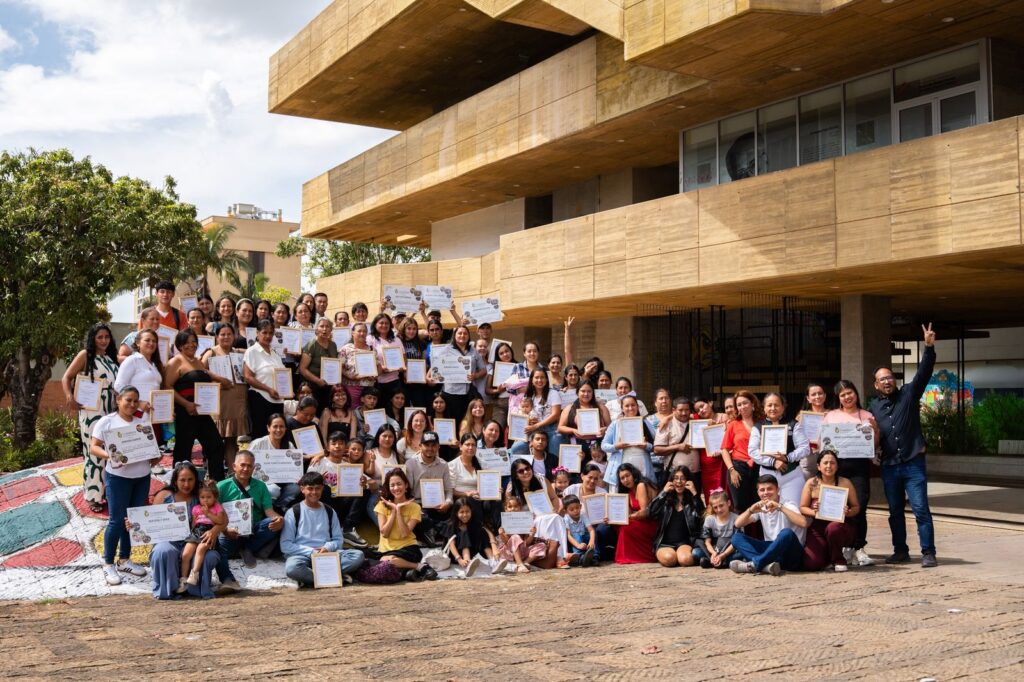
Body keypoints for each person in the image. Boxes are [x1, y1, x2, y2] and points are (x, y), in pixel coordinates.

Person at [871, 323, 939, 568]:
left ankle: (928, 552)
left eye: (889, 377)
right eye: (882, 379)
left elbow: (924, 373)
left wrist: (928, 347)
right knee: (895, 511)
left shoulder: (909, 394)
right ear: (876, 385)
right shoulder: (873, 407)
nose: (887, 381)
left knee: (920, 509)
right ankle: (900, 551)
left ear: (894, 379)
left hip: (913, 463)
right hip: (889, 466)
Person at [90, 387, 157, 585]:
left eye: (136, 401)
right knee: (116, 521)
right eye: (128, 400)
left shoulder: (141, 423)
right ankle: (108, 563)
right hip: (118, 478)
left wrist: (155, 457)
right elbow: (94, 447)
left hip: (142, 477)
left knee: (132, 520)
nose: (132, 404)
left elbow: (150, 451)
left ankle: (125, 560)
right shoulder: (107, 421)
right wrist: (111, 456)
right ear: (118, 399)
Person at [62, 323, 120, 512]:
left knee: (109, 450)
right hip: (92, 410)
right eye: (99, 337)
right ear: (93, 339)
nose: (104, 340)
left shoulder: (111, 358)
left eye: (106, 337)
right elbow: (66, 377)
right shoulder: (85, 355)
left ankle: (108, 492)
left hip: (111, 409)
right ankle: (93, 495)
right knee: (94, 451)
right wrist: (69, 397)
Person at [150, 462, 227, 598]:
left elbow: (224, 519)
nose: (186, 484)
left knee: (208, 555)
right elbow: (150, 521)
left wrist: (214, 531)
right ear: (175, 480)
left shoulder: (202, 496)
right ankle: (168, 590)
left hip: (196, 541)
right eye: (182, 480)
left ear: (196, 480)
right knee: (163, 550)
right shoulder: (164, 496)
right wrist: (133, 526)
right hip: (169, 541)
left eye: (190, 479)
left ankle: (194, 588)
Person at [823, 379, 879, 568]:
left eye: (850, 392)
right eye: (843, 394)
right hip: (836, 467)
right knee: (837, 508)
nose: (847, 397)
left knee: (859, 507)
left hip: (859, 467)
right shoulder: (830, 416)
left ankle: (859, 548)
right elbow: (823, 442)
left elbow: (874, 445)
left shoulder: (867, 415)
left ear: (856, 393)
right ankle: (841, 548)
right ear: (838, 398)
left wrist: (875, 431)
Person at [281, 471, 366, 587]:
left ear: (322, 489)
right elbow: (285, 545)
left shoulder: (329, 511)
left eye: (317, 488)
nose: (314, 492)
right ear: (302, 489)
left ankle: (314, 578)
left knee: (357, 556)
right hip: (302, 556)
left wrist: (327, 547)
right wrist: (312, 552)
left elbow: (338, 539)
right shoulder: (293, 512)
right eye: (310, 488)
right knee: (292, 568)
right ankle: (333, 578)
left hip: (327, 555)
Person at [164, 329, 226, 479]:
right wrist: (186, 404)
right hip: (185, 412)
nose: (191, 345)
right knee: (184, 450)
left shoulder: (198, 361)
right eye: (186, 342)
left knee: (216, 444)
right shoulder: (175, 361)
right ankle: (179, 484)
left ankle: (216, 481)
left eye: (194, 342)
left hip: (202, 413)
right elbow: (167, 386)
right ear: (179, 345)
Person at [216, 450, 284, 580]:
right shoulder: (221, 486)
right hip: (230, 531)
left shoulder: (261, 486)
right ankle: (228, 579)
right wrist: (225, 529)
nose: (246, 469)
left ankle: (247, 548)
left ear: (254, 468)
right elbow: (214, 514)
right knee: (218, 550)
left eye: (249, 466)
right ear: (234, 466)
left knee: (273, 523)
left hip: (254, 530)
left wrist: (279, 519)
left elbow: (269, 511)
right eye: (242, 465)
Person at [730, 474, 809, 575]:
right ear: (758, 492)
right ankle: (766, 566)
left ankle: (756, 564)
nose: (766, 493)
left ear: (777, 490)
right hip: (771, 552)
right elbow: (737, 524)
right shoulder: (761, 507)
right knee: (736, 538)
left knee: (786, 533)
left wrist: (779, 507)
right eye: (762, 490)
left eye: (770, 489)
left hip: (791, 553)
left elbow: (803, 523)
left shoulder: (788, 504)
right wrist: (750, 510)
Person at [309, 431, 372, 549]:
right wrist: (318, 481)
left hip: (342, 504)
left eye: (341, 443)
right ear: (328, 447)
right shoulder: (318, 462)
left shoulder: (348, 465)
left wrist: (364, 483)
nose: (337, 446)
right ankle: (329, 527)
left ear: (345, 447)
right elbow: (306, 484)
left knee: (364, 489)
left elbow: (372, 483)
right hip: (324, 505)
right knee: (325, 488)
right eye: (334, 443)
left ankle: (347, 529)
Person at [800, 448, 860, 572]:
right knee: (811, 564)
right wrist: (813, 512)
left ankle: (839, 559)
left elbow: (856, 507)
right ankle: (828, 555)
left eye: (832, 463)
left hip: (841, 526)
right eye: (825, 463)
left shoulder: (845, 483)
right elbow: (803, 508)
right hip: (818, 527)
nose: (829, 466)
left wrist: (848, 512)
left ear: (837, 466)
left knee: (833, 528)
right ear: (818, 466)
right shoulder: (811, 483)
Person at [749, 393, 809, 506]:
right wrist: (773, 462)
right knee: (769, 510)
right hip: (767, 476)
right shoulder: (758, 427)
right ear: (764, 408)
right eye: (769, 405)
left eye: (776, 405)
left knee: (793, 509)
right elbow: (753, 451)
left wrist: (787, 458)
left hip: (791, 476)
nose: (773, 408)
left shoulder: (794, 424)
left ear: (783, 407)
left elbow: (805, 448)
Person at [201, 323, 247, 472]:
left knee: (232, 440)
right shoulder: (211, 353)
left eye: (229, 334)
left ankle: (233, 472)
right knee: (215, 440)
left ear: (234, 336)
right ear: (216, 336)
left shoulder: (238, 353)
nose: (226, 337)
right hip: (219, 402)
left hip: (236, 402)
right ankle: (214, 472)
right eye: (222, 334)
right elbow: (200, 370)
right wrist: (219, 379)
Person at [505, 460, 568, 567]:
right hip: (525, 523)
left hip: (546, 514)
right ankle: (556, 556)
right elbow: (509, 510)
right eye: (521, 471)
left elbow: (554, 498)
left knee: (555, 517)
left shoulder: (541, 480)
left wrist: (554, 509)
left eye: (527, 468)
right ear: (516, 475)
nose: (526, 472)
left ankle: (561, 556)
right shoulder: (512, 488)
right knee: (547, 519)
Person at [375, 469, 432, 582]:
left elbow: (405, 533)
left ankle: (413, 568)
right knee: (384, 561)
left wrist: (399, 512)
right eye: (392, 485)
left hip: (408, 548)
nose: (396, 488)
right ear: (388, 488)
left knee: (389, 562)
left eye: (399, 484)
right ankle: (415, 568)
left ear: (406, 485)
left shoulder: (415, 507)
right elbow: (384, 533)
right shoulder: (381, 505)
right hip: (386, 550)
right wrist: (394, 511)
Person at [648, 465, 704, 568]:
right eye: (676, 478)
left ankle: (679, 556)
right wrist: (663, 492)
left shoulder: (692, 500)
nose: (679, 482)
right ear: (671, 481)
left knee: (685, 560)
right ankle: (673, 556)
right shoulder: (665, 499)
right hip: (665, 543)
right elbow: (651, 512)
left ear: (688, 481)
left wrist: (695, 493)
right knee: (669, 559)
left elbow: (702, 516)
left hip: (684, 543)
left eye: (683, 478)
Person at [176, 481, 227, 593]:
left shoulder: (217, 507)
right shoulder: (196, 508)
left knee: (200, 549)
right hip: (196, 532)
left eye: (209, 497)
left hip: (208, 532)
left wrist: (208, 513)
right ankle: (183, 580)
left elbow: (220, 521)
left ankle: (194, 573)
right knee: (186, 554)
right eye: (202, 497)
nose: (205, 500)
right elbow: (194, 524)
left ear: (215, 497)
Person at [404, 431, 453, 545]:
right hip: (418, 504)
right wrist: (414, 506)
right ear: (420, 446)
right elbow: (407, 492)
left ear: (438, 446)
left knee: (455, 512)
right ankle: (437, 532)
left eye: (433, 445)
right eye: (426, 445)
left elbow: (448, 490)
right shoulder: (410, 464)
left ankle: (431, 532)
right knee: (418, 515)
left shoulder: (444, 465)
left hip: (439, 505)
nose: (430, 448)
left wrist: (447, 503)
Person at [601, 395, 656, 490]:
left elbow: (656, 446)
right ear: (622, 408)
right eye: (627, 406)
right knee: (622, 497)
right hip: (621, 467)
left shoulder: (646, 423)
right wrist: (616, 446)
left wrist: (646, 445)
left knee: (642, 495)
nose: (630, 408)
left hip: (642, 466)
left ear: (637, 407)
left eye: (633, 405)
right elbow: (604, 446)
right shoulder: (615, 424)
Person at [720, 390, 761, 516]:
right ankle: (741, 529)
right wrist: (731, 470)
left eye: (745, 403)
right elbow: (724, 449)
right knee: (740, 507)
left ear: (752, 403)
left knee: (760, 505)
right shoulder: (733, 425)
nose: (742, 407)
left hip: (759, 467)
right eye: (739, 404)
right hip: (738, 469)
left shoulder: (763, 422)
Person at [243, 320, 286, 440]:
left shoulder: (275, 354)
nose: (268, 336)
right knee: (261, 436)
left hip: (277, 401)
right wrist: (268, 389)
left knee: (276, 437)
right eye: (264, 332)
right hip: (260, 399)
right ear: (257, 333)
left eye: (271, 333)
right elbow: (248, 377)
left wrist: (287, 391)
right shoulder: (252, 351)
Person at [444, 498, 506, 577]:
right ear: (456, 513)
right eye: (461, 512)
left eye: (467, 511)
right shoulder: (451, 524)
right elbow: (451, 544)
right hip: (455, 555)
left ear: (471, 511)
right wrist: (459, 559)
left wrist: (494, 548)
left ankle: (492, 561)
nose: (465, 515)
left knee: (481, 531)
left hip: (470, 550)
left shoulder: (474, 521)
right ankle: (467, 564)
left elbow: (488, 532)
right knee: (464, 532)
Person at [437, 325, 486, 425]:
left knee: (466, 422)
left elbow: (483, 370)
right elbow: (436, 366)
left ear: (468, 336)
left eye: (465, 333)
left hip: (468, 393)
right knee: (451, 422)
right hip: (450, 393)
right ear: (455, 335)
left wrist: (475, 376)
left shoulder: (473, 351)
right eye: (459, 333)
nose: (462, 335)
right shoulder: (447, 349)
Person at [114, 328, 163, 417]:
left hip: (154, 416)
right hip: (136, 414)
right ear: (138, 343)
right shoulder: (132, 360)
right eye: (147, 340)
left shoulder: (155, 365)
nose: (151, 343)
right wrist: (138, 403)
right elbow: (118, 386)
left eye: (154, 341)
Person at [557, 381, 610, 462]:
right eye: (583, 391)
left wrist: (605, 430)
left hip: (597, 446)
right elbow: (560, 427)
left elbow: (610, 427)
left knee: (597, 468)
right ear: (577, 392)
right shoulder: (569, 408)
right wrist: (573, 430)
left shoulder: (602, 408)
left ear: (593, 393)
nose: (586, 394)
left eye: (589, 391)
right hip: (577, 445)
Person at [495, 495, 549, 574]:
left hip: (523, 551)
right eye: (510, 507)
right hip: (510, 552)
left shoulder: (525, 521)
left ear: (520, 508)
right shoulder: (505, 524)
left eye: (515, 506)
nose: (513, 509)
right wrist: (501, 534)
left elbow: (527, 543)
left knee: (542, 545)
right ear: (506, 509)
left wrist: (532, 534)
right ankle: (519, 564)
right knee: (515, 537)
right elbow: (506, 542)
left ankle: (526, 563)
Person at [653, 396, 696, 488]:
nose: (684, 413)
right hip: (674, 474)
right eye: (680, 410)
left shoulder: (696, 423)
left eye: (687, 410)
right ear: (674, 410)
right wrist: (677, 447)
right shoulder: (666, 424)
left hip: (695, 473)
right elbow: (656, 450)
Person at [692, 396, 729, 503]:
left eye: (702, 406)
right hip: (707, 465)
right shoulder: (697, 421)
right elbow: (680, 413)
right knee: (711, 495)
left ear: (710, 403)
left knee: (726, 493)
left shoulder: (724, 418)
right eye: (697, 410)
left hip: (724, 461)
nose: (701, 410)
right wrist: (666, 418)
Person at [299, 316, 339, 412]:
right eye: (322, 326)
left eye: (327, 326)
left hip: (329, 387)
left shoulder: (333, 345)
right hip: (313, 387)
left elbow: (335, 364)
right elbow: (302, 368)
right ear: (316, 329)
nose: (324, 329)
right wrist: (317, 380)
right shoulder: (311, 344)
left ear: (331, 329)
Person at [692, 489, 739, 569]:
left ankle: (716, 562)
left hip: (730, 549)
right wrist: (713, 553)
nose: (719, 510)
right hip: (714, 548)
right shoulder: (710, 519)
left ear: (728, 503)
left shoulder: (736, 518)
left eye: (721, 505)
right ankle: (719, 561)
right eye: (715, 507)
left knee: (742, 553)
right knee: (695, 552)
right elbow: (707, 542)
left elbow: (736, 542)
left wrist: (723, 555)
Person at [368, 313, 404, 407]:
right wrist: (380, 368)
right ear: (375, 324)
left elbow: (404, 361)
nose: (384, 325)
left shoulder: (396, 340)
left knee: (394, 408)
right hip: (377, 382)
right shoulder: (370, 339)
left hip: (394, 382)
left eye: (387, 323)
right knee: (379, 408)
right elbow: (368, 359)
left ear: (390, 325)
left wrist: (401, 367)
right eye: (381, 323)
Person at [797, 383, 829, 479]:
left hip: (827, 458)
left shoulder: (832, 414)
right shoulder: (801, 417)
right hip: (808, 459)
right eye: (813, 394)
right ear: (808, 398)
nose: (817, 396)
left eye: (820, 393)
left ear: (825, 396)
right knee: (807, 486)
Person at [340, 322, 376, 406]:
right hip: (351, 387)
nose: (362, 333)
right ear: (353, 333)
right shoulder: (346, 349)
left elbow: (378, 367)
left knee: (367, 411)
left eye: (364, 331)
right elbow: (339, 367)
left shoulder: (371, 349)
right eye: (359, 331)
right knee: (353, 410)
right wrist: (349, 376)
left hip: (369, 389)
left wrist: (374, 376)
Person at [485, 342, 516, 426]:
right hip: (500, 404)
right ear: (498, 356)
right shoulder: (494, 370)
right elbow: (487, 390)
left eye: (507, 351)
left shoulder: (519, 367)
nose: (505, 354)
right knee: (498, 427)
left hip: (517, 404)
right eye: (501, 353)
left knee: (514, 429)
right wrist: (497, 390)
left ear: (511, 351)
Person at [562, 494, 598, 567]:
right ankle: (580, 557)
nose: (575, 511)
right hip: (574, 542)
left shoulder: (583, 515)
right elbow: (568, 535)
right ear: (566, 511)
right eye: (571, 509)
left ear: (580, 506)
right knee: (576, 535)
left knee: (593, 536)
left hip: (583, 536)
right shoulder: (566, 519)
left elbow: (591, 530)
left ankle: (594, 556)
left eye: (577, 508)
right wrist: (578, 545)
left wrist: (591, 541)